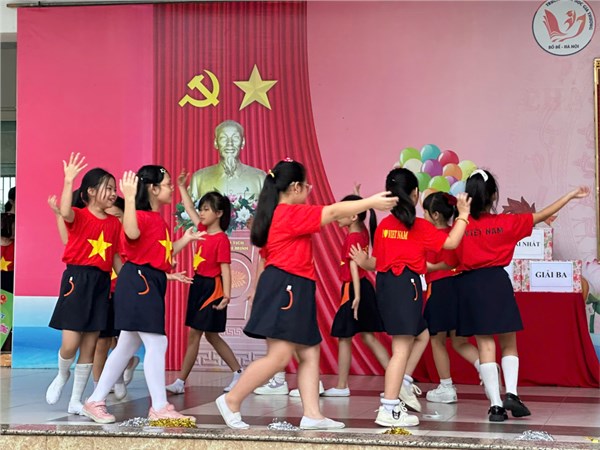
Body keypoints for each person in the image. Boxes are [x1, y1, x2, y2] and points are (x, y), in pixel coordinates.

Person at [214, 159, 398, 430]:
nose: (309, 190)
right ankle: (231, 400)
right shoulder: (288, 213)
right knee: (279, 356)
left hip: (293, 287)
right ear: (295, 187)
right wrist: (370, 202)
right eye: (307, 185)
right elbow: (333, 212)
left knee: (310, 352)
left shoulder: (276, 214)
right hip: (287, 287)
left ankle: (312, 415)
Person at [454, 169, 589, 422]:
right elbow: (542, 215)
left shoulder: (460, 226)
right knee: (508, 343)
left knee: (485, 345)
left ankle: (495, 407)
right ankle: (512, 394)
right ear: (493, 196)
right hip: (497, 283)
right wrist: (570, 195)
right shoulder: (506, 223)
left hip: (470, 285)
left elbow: (449, 252)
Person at [81, 166, 205, 424]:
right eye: (168, 184)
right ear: (153, 188)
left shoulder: (156, 219)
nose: (171, 188)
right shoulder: (138, 215)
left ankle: (95, 401)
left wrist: (186, 239)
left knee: (126, 346)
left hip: (149, 282)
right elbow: (131, 232)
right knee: (157, 343)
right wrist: (128, 198)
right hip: (140, 283)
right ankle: (159, 406)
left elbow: (163, 254)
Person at [351, 168, 471, 428]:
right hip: (406, 287)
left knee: (422, 334)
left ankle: (403, 383)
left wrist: (363, 261)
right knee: (401, 349)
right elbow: (451, 243)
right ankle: (389, 407)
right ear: (415, 194)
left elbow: (378, 264)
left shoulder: (384, 226)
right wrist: (463, 215)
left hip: (388, 287)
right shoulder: (420, 226)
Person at [46, 153, 123, 415]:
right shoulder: (78, 215)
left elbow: (115, 257)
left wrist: (128, 282)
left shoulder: (114, 223)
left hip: (101, 284)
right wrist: (69, 180)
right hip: (77, 280)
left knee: (90, 344)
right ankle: (62, 374)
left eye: (114, 189)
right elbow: (65, 211)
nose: (113, 193)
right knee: (70, 344)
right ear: (90, 191)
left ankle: (76, 400)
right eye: (108, 188)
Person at [47, 195, 140, 400]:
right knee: (87, 343)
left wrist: (136, 285)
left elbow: (120, 261)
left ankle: (91, 391)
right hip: (86, 287)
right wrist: (58, 213)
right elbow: (67, 238)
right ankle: (77, 378)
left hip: (111, 291)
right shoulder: (85, 222)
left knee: (107, 343)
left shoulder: (121, 232)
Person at [166, 171, 242, 394]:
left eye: (206, 209)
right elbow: (189, 208)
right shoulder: (201, 230)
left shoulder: (221, 239)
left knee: (201, 334)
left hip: (212, 288)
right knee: (205, 334)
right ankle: (235, 373)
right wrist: (182, 187)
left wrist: (226, 295)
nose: (201, 212)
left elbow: (225, 269)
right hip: (198, 284)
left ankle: (182, 381)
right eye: (202, 209)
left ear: (219, 213)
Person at [323, 194, 389, 398]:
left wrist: (356, 296)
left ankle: (342, 386)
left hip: (354, 288)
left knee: (344, 337)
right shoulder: (362, 230)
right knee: (368, 337)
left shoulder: (353, 237)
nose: (337, 215)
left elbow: (354, 266)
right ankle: (399, 382)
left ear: (353, 217)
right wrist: (356, 195)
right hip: (363, 287)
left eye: (342, 211)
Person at [421, 192, 480, 404]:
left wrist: (428, 267)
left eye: (425, 212)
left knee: (436, 340)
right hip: (458, 287)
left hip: (439, 288)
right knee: (459, 340)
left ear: (435, 214)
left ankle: (446, 387)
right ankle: (485, 367)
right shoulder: (456, 231)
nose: (423, 216)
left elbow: (447, 262)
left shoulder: (433, 235)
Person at [189, 120, 266, 202]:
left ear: (243, 142)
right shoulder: (199, 179)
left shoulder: (260, 178)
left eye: (235, 138)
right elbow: (189, 208)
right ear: (216, 143)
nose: (230, 143)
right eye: (223, 138)